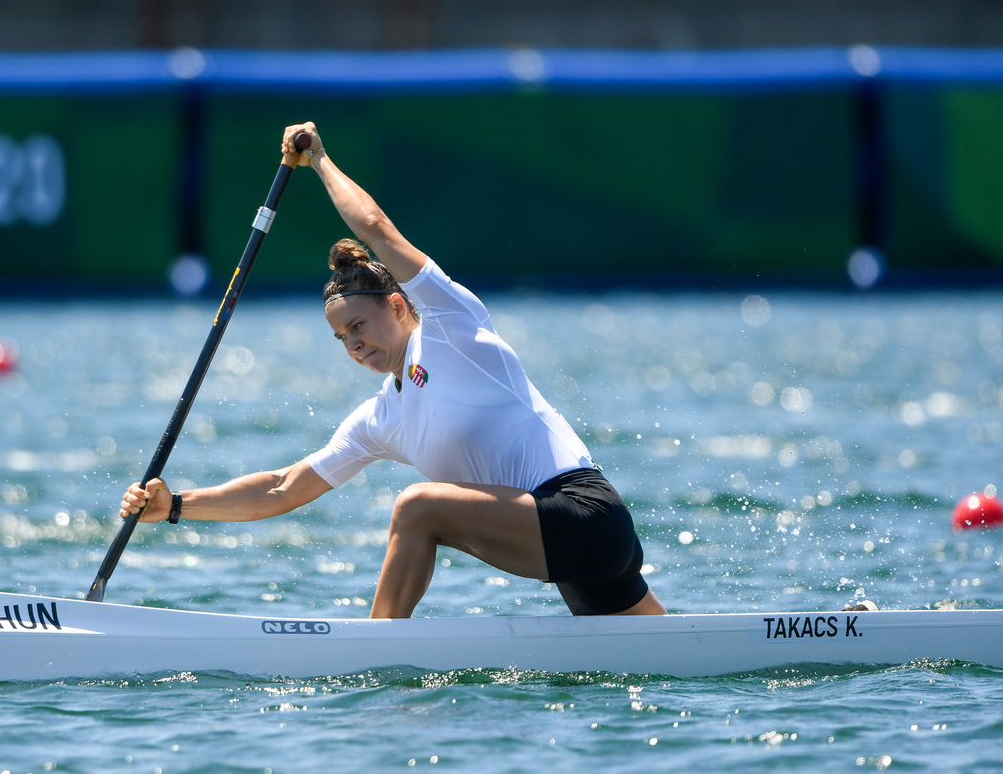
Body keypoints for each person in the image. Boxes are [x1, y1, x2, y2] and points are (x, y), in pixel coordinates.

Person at [121, 121, 666, 620]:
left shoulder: (453, 328)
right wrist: (177, 507)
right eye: (342, 338)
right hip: (566, 543)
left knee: (417, 506)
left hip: (585, 514)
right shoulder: (381, 417)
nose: (353, 345)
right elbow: (283, 488)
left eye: (359, 325)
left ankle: (376, 651)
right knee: (664, 661)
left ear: (400, 307)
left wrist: (321, 161)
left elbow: (376, 228)